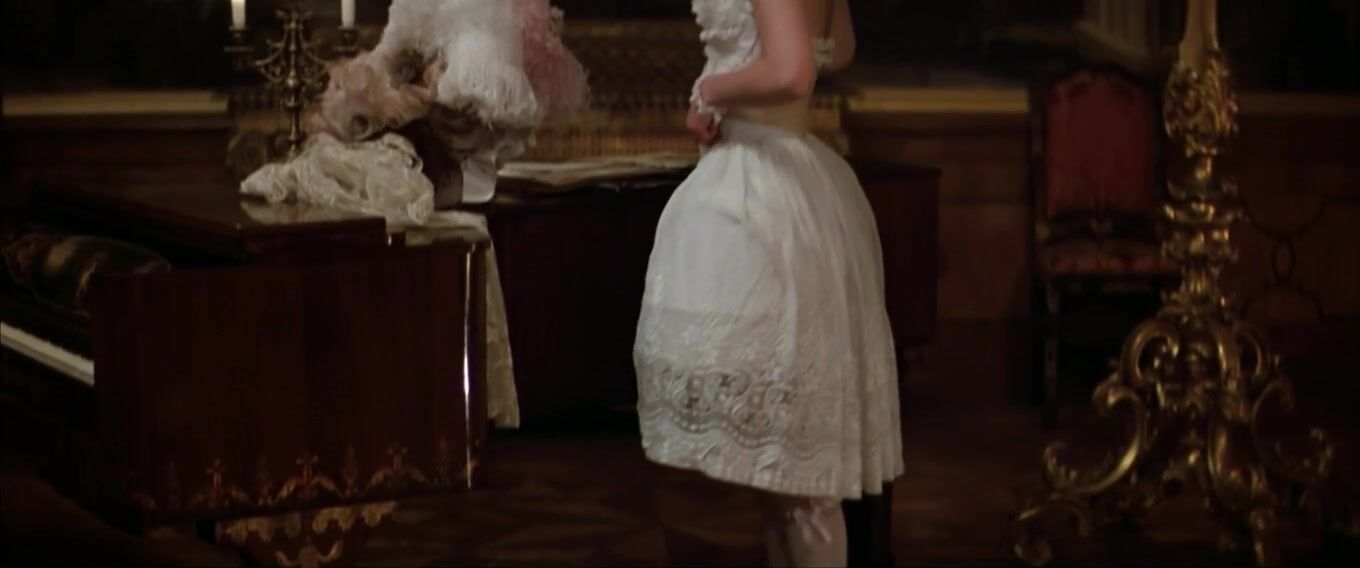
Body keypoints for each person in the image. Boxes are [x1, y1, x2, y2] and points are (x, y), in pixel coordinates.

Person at [633, 0, 903, 566]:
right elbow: (838, 48)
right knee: (788, 475)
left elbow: (792, 70)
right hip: (792, 179)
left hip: (764, 195)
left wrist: (711, 90)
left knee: (801, 480)